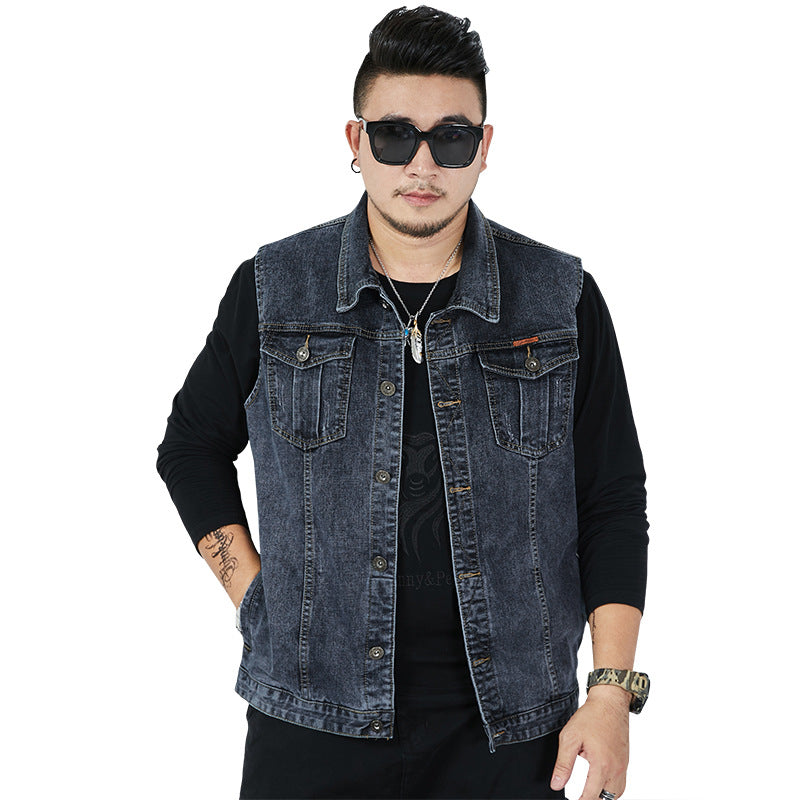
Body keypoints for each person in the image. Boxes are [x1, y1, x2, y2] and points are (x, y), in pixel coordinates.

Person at [156, 6, 650, 799]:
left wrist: (611, 691)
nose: (422, 164)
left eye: (451, 137)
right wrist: (258, 599)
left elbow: (613, 498)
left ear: (484, 148)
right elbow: (191, 447)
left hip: (512, 730)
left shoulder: (561, 299)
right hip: (310, 718)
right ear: (355, 143)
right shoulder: (275, 288)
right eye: (394, 135)